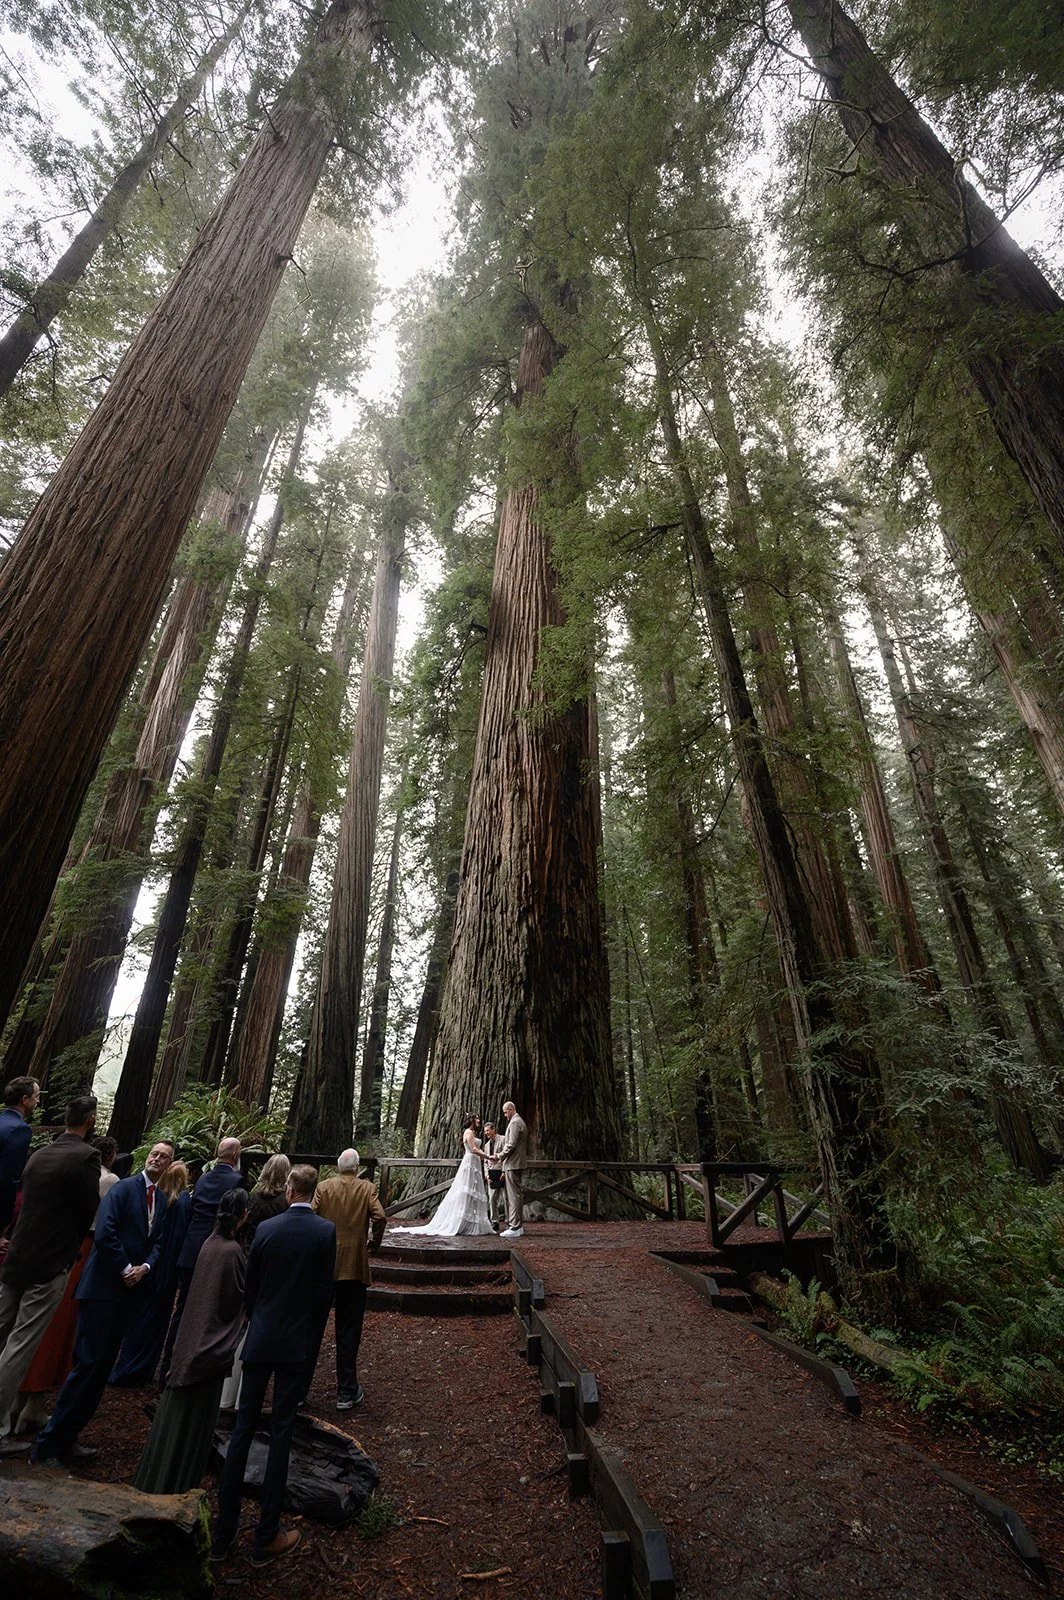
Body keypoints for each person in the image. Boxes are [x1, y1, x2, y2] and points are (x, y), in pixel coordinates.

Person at [211, 1165, 335, 1568]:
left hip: (262, 1338)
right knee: (282, 1432)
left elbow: (252, 1284)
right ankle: (266, 1535)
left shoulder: (266, 1229)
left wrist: (256, 1320)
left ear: (289, 1189)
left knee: (243, 1428)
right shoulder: (325, 1232)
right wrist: (310, 1339)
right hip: (296, 1343)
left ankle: (223, 1533)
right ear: (313, 1192)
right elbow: (323, 1294)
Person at [31, 1139, 174, 1465]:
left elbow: (158, 1242)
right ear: (147, 1157)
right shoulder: (123, 1189)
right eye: (154, 1153)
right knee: (87, 1365)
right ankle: (48, 1444)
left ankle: (71, 1436)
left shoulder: (161, 1201)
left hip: (127, 1295)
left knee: (101, 1371)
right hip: (102, 1290)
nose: (157, 1159)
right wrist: (125, 1268)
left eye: (164, 1157)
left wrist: (145, 1267)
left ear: (169, 1165)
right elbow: (105, 1231)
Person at [133, 1187, 249, 1495]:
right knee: (193, 1425)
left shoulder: (210, 1244)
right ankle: (178, 1485)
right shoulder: (230, 1252)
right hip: (207, 1352)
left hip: (190, 1344)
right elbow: (234, 1299)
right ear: (243, 1215)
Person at [0, 1095, 100, 1437]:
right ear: (90, 1121)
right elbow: (88, 1209)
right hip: (50, 1262)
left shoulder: (39, 1154)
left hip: (17, 1257)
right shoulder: (87, 1157)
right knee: (20, 1345)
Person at [160, 1136, 242, 1381]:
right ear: (236, 1155)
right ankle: (193, 1366)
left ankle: (167, 1366)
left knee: (182, 1308)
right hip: (213, 1252)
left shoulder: (204, 1178)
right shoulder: (236, 1181)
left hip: (190, 1249)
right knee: (205, 1309)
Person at [313, 1149, 386, 1410]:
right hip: (354, 1267)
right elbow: (380, 1216)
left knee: (313, 1327)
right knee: (348, 1330)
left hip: (324, 1265)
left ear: (337, 1166)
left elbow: (311, 1215)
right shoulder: (367, 1188)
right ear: (356, 1167)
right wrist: (373, 1243)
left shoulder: (323, 1187)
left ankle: (298, 1389)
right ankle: (346, 1390)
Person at [109, 1160, 192, 1387]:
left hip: (150, 1266)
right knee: (156, 1322)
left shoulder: (158, 1199)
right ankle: (141, 1369)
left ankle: (125, 1365)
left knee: (139, 1318)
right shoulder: (183, 1202)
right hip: (167, 1270)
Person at [219, 1154, 290, 1410]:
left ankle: (227, 1394)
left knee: (239, 1326)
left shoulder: (252, 1198)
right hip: (271, 1268)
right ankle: (245, 1397)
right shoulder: (284, 1204)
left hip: (247, 1260)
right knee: (256, 1329)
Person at [401, 1115, 493, 1237]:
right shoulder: (468, 1132)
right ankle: (460, 1222)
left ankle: (470, 1222)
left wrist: (485, 1157)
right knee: (466, 1190)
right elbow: (473, 1149)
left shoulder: (473, 1132)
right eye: (476, 1118)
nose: (479, 1121)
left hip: (475, 1162)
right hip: (470, 1162)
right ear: (471, 1120)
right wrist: (488, 1157)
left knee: (473, 1191)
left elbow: (477, 1149)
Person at [0, 1076, 39, 1237]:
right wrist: (4, 1222)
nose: (38, 1101)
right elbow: (9, 1178)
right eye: (36, 1096)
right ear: (24, 1099)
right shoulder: (19, 1129)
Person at [498, 1101, 528, 1239]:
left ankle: (514, 1226)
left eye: (505, 1112)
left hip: (513, 1163)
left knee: (513, 1196)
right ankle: (518, 1225)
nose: (505, 1115)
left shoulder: (515, 1122)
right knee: (516, 1195)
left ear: (511, 1109)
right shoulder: (518, 1121)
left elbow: (511, 1144)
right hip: (515, 1163)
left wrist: (499, 1156)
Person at [482, 1122, 506, 1231]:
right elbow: (485, 1162)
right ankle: (495, 1221)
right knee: (492, 1199)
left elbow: (506, 1157)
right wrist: (487, 1175)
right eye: (485, 1131)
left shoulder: (503, 1139)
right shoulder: (486, 1145)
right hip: (492, 1174)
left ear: (493, 1130)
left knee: (506, 1198)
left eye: (488, 1130)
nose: (486, 1133)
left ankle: (509, 1221)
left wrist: (504, 1171)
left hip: (502, 1172)